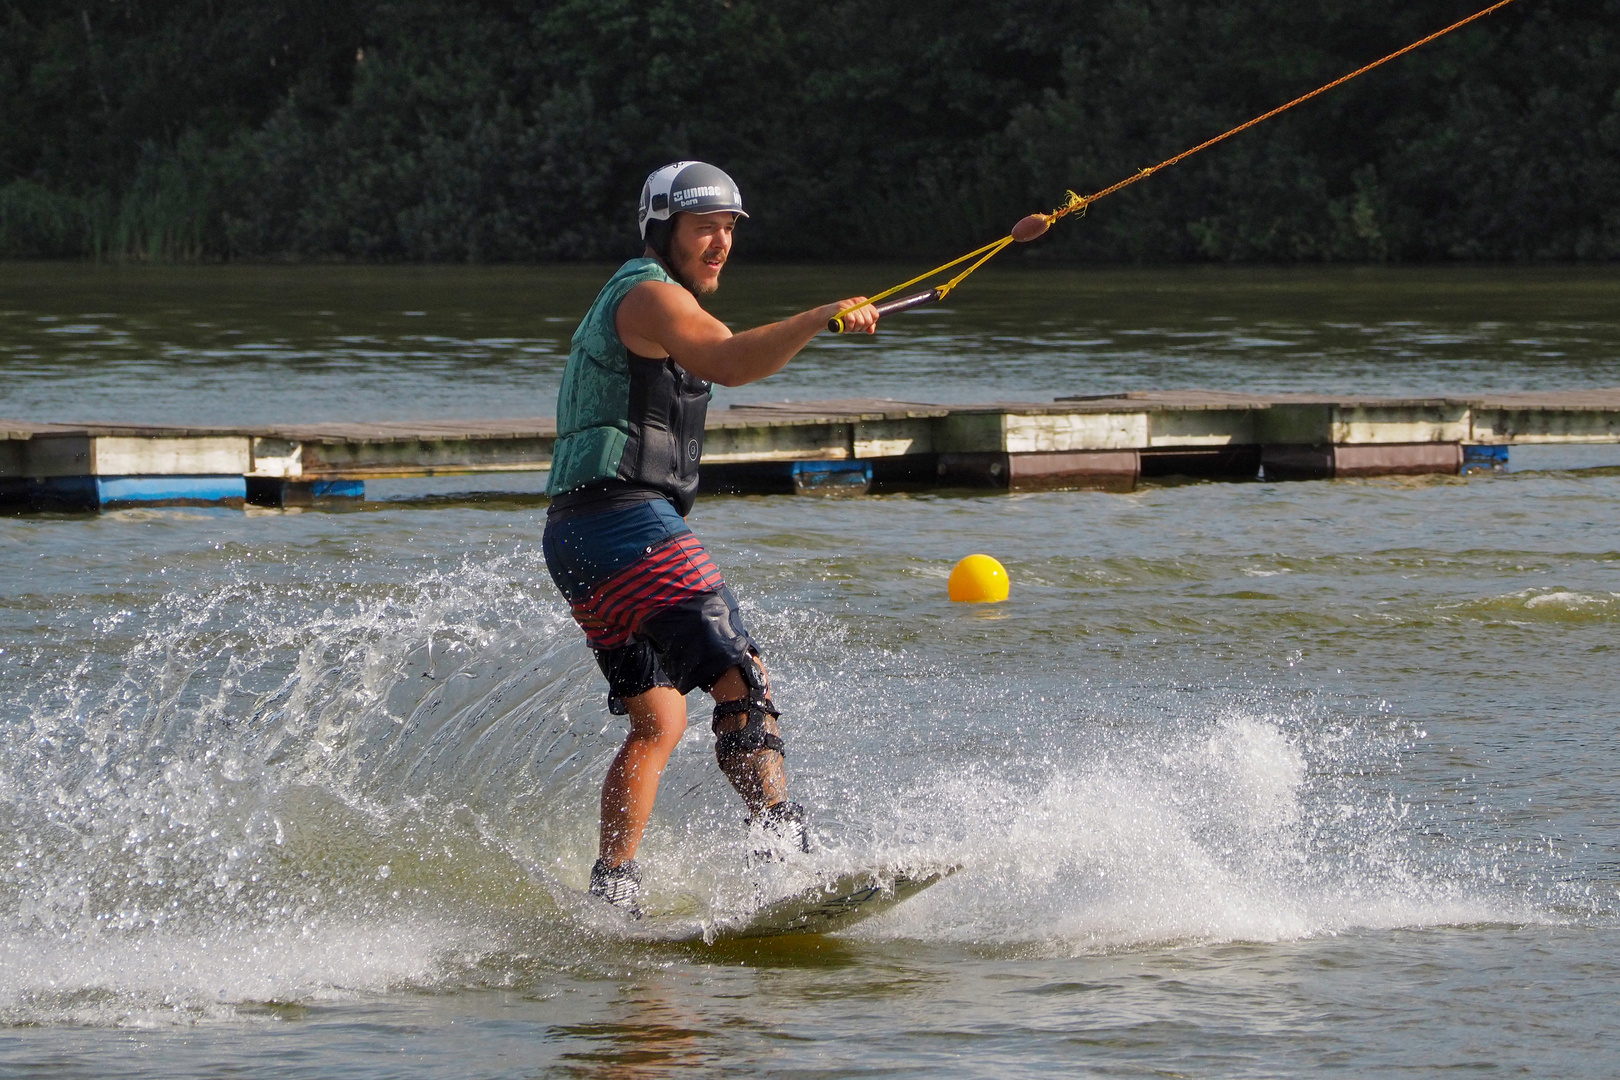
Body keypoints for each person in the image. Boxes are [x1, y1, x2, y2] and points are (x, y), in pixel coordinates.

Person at [542, 161, 879, 914]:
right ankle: (786, 856)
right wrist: (821, 315)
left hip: (573, 538)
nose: (721, 242)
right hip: (625, 521)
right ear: (663, 232)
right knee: (740, 676)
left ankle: (614, 887)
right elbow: (728, 361)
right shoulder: (650, 295)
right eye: (705, 229)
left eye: (729, 228)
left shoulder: (642, 297)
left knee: (658, 720)